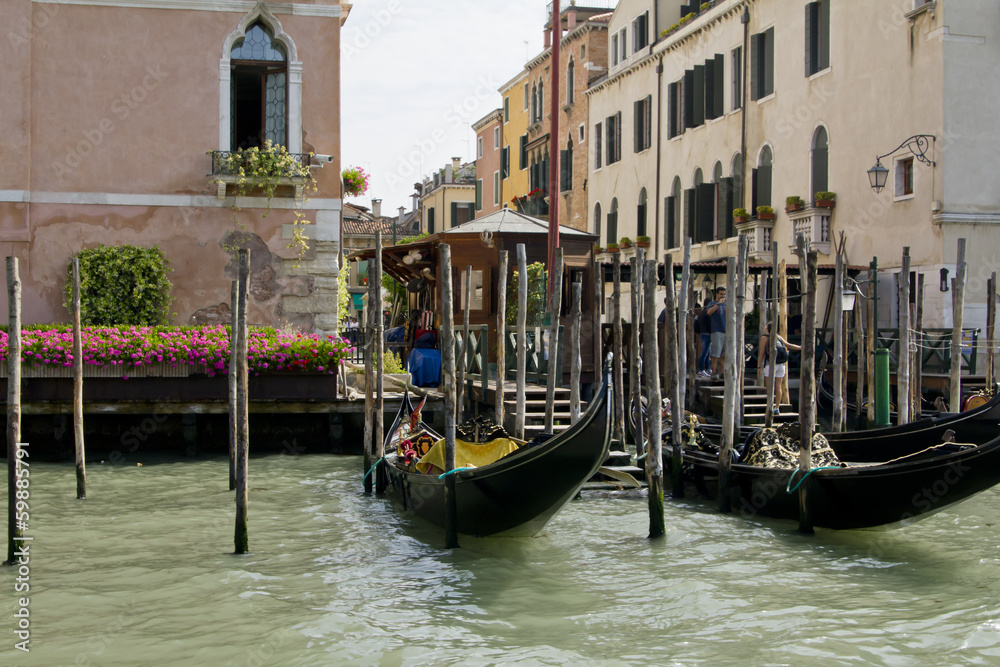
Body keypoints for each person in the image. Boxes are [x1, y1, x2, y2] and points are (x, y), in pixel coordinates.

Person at [757, 322, 801, 414]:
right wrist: (801, 347)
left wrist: (758, 367)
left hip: (770, 364)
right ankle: (777, 407)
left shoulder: (764, 338)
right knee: (778, 386)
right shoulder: (778, 337)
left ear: (766, 328)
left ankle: (770, 406)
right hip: (781, 365)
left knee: (769, 387)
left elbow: (761, 353)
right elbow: (788, 345)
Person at [705, 287, 727, 379]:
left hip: (726, 331)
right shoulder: (712, 303)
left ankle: (722, 373)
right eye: (721, 294)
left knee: (724, 355)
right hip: (716, 331)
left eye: (724, 294)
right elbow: (709, 312)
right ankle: (713, 373)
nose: (723, 296)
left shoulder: (727, 304)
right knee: (715, 354)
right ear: (717, 294)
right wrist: (718, 304)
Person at [694, 301, 712, 378]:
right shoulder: (707, 313)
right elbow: (710, 323)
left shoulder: (700, 314)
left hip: (702, 334)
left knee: (707, 353)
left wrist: (699, 332)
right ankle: (701, 370)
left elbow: (696, 326)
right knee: (705, 353)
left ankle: (708, 368)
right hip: (707, 333)